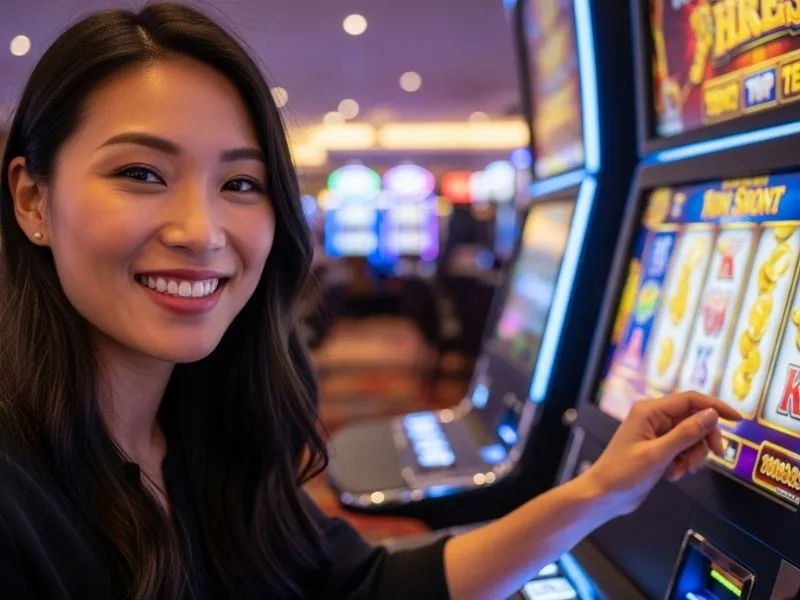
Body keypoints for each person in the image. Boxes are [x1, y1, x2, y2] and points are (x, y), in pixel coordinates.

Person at [0, 4, 741, 599]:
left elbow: (367, 584)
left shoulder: (208, 434)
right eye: (141, 172)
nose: (200, 232)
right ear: (33, 198)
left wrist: (600, 493)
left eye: (240, 184)